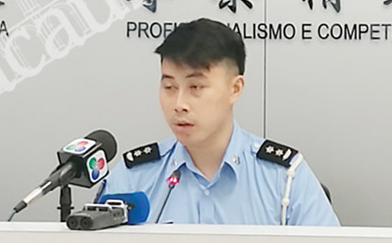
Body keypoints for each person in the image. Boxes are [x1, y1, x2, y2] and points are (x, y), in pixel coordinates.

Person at [100, 18, 339, 225]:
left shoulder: (284, 177)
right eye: (169, 87)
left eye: (195, 87)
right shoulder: (133, 178)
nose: (179, 104)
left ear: (235, 88)